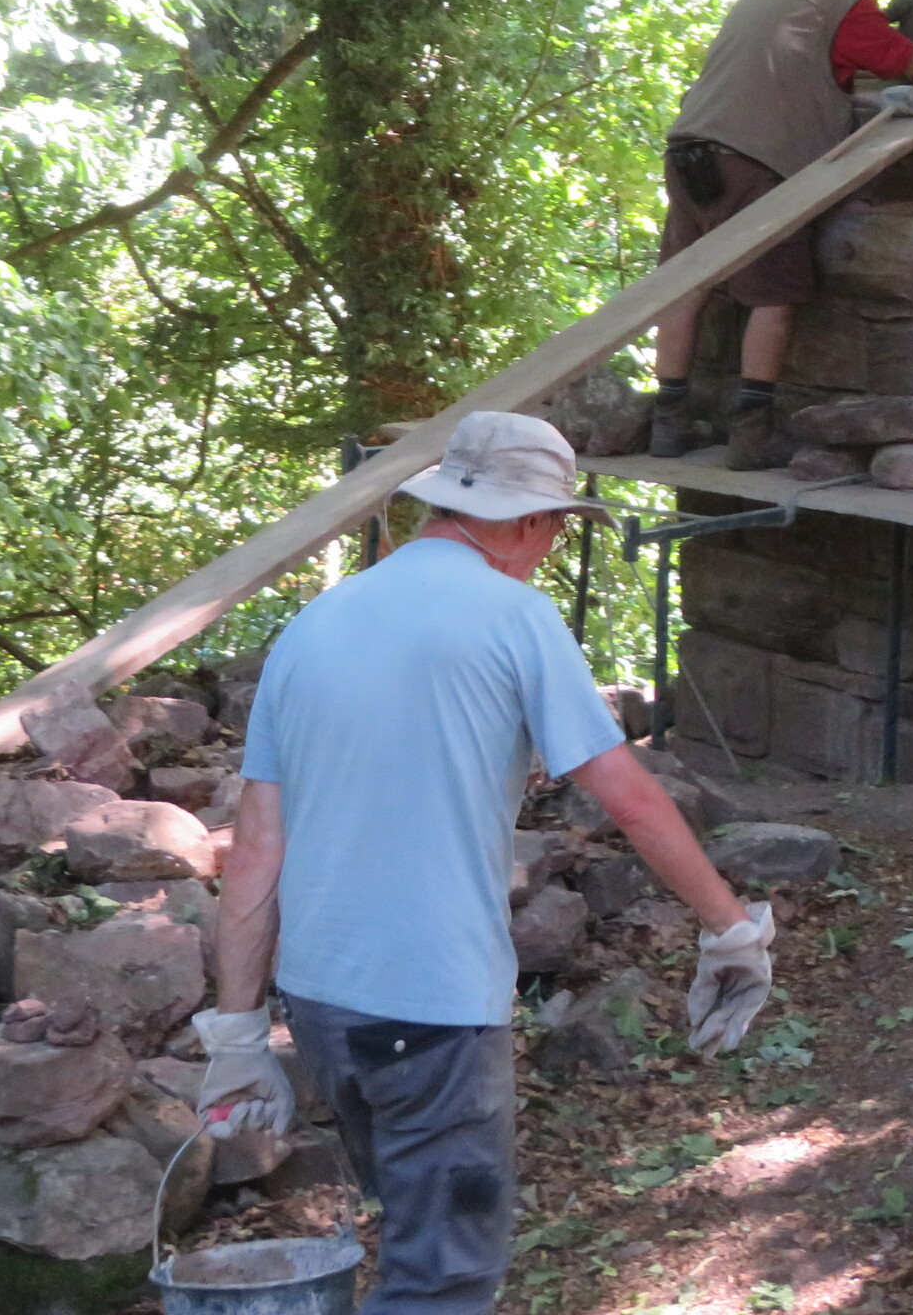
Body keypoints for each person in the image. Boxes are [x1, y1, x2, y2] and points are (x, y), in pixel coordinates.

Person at [192, 411, 776, 1315]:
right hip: (431, 1006)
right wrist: (729, 928)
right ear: (532, 520)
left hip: (321, 1003)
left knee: (413, 1244)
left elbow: (258, 846)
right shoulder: (515, 615)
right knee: (444, 1282)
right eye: (556, 530)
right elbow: (627, 796)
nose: (550, 550)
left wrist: (237, 1034)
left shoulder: (315, 624)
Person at [648, 0, 913, 468]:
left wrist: (886, 15)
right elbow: (905, 63)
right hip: (755, 162)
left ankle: (668, 423)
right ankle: (751, 436)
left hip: (690, 149)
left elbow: (817, 45)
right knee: (774, 298)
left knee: (684, 284)